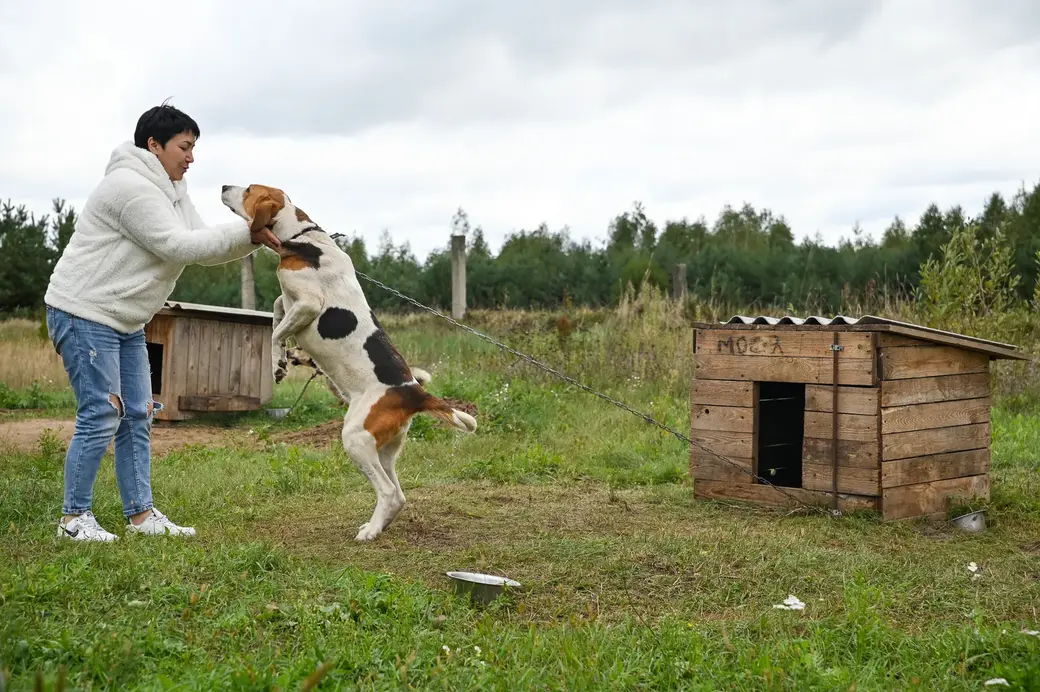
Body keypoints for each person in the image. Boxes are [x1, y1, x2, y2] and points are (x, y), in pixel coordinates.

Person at [43, 102, 280, 542]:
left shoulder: (172, 190)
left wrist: (254, 239)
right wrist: (248, 230)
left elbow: (201, 242)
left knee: (138, 414)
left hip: (127, 318)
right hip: (84, 312)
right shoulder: (128, 187)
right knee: (102, 413)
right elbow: (177, 246)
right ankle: (73, 520)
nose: (191, 157)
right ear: (154, 145)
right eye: (184, 147)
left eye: (193, 148)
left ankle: (141, 517)